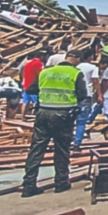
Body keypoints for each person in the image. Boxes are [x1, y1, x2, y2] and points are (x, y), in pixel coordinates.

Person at [21, 50, 88, 196]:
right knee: (62, 149)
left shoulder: (46, 71)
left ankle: (29, 184)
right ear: (76, 59)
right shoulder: (75, 73)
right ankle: (61, 182)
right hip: (63, 115)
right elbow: (82, 95)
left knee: (36, 149)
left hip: (43, 113)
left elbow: (31, 88)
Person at [73, 50, 101, 148]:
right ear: (89, 57)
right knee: (81, 121)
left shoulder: (76, 67)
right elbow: (95, 81)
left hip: (73, 95)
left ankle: (67, 141)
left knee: (71, 119)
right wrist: (99, 94)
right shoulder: (93, 67)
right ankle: (77, 143)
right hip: (86, 95)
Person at [20, 49, 47, 116]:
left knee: (25, 102)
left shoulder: (28, 63)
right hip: (34, 86)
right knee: (37, 102)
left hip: (26, 84)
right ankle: (37, 116)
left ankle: (22, 116)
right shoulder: (39, 63)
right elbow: (40, 74)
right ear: (41, 56)